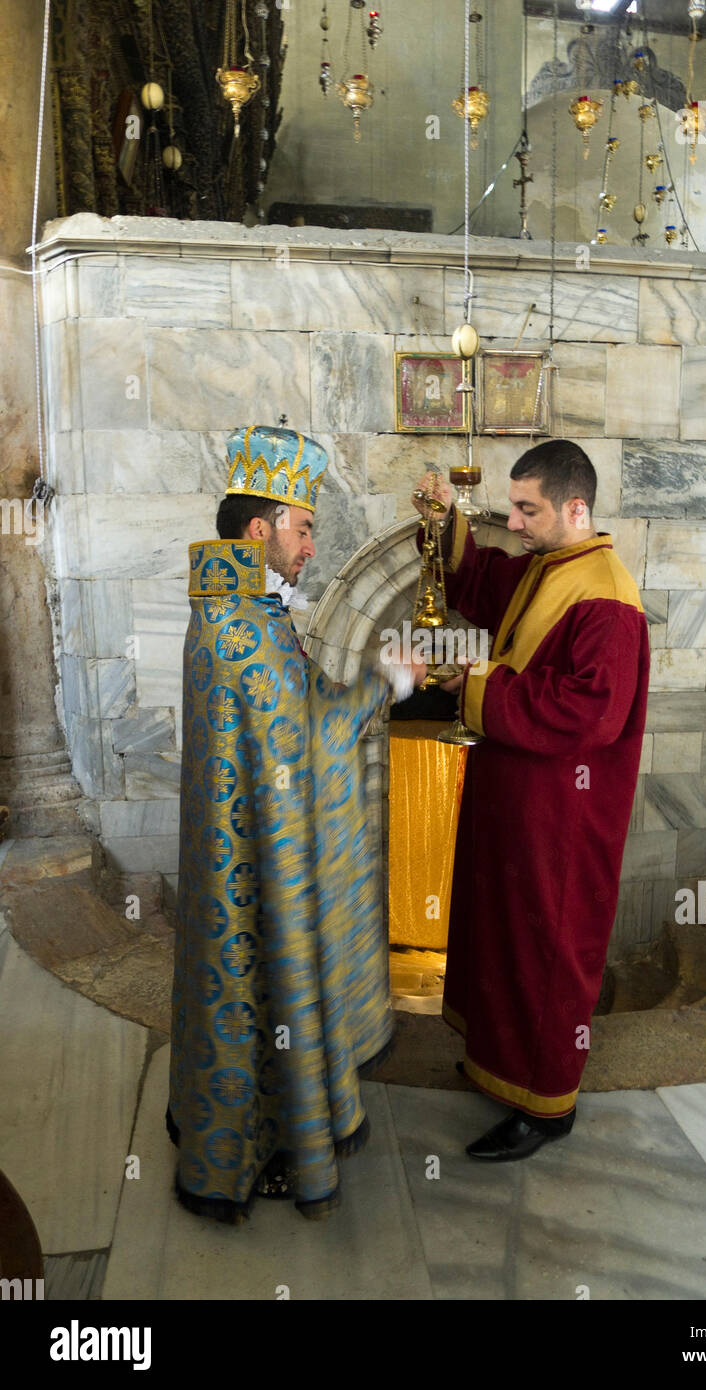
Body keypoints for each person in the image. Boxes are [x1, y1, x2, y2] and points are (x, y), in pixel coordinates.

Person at [167, 424, 424, 1223]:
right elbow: (308, 739)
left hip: (237, 853)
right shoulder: (244, 627)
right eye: (303, 526)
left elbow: (291, 715)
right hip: (258, 866)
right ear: (260, 530)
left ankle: (247, 1127)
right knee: (259, 983)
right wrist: (390, 684)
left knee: (244, 989)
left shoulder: (235, 608)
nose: (312, 545)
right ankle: (268, 1147)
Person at [412, 439, 649, 1161]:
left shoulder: (605, 597)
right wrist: (447, 518)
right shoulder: (553, 565)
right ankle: (501, 1069)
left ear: (574, 508)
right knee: (504, 941)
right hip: (521, 804)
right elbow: (487, 585)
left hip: (562, 821)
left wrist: (477, 689)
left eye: (526, 509)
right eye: (512, 506)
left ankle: (545, 1105)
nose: (511, 522)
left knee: (545, 954)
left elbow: (589, 713)